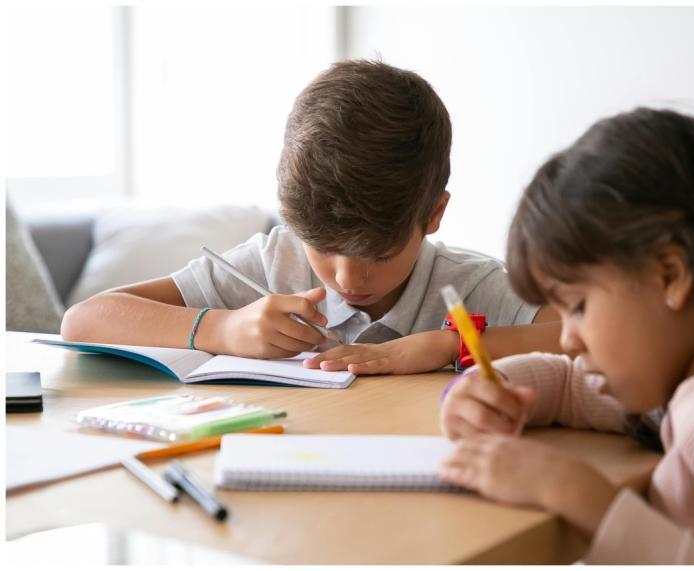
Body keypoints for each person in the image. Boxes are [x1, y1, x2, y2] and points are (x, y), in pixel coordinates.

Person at [437, 108, 694, 564]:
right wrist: (491, 390)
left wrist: (580, 495)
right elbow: (572, 385)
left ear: (669, 276)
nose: (568, 339)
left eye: (578, 306)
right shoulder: (687, 382)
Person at [61, 60, 560, 372]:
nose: (347, 278)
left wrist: (449, 346)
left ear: (433, 215)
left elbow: (585, 340)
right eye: (322, 247)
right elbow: (84, 320)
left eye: (379, 253)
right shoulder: (271, 264)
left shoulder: (470, 287)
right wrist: (221, 328)